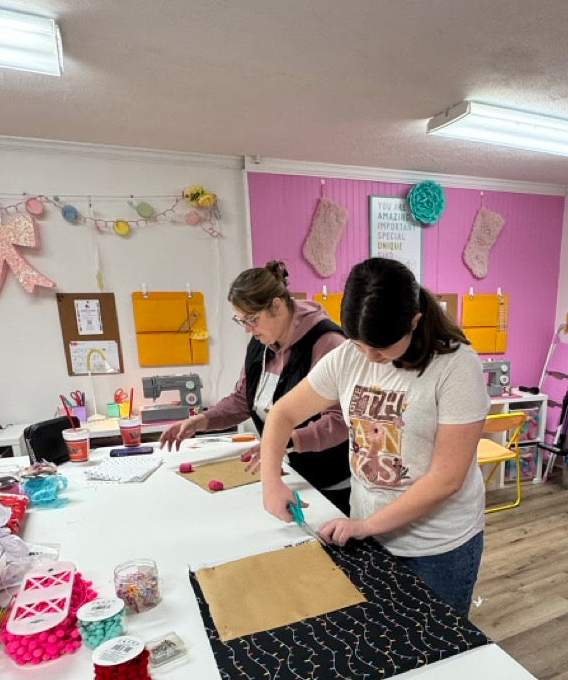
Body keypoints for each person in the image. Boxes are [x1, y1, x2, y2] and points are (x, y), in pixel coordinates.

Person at [259, 257, 490, 614]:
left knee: (433, 639)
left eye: (380, 348)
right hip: (368, 535)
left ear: (414, 321)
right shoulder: (347, 357)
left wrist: (366, 525)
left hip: (436, 548)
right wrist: (271, 482)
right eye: (359, 344)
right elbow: (283, 413)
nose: (369, 357)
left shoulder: (456, 366)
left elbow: (447, 478)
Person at [159, 261, 351, 512]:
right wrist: (201, 421)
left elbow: (339, 422)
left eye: (252, 319)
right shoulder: (262, 343)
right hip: (286, 471)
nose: (248, 329)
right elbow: (243, 400)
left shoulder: (327, 343)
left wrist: (283, 442)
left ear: (277, 306)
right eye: (241, 321)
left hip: (328, 481)